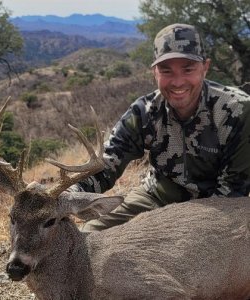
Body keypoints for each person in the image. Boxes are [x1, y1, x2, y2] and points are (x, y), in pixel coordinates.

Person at [71, 23, 250, 231]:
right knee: (89, 235)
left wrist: (177, 227)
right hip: (155, 196)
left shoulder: (238, 111)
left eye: (188, 69)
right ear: (154, 72)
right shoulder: (143, 112)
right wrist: (71, 193)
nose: (177, 82)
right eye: (166, 71)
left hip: (215, 207)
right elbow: (107, 164)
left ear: (205, 67)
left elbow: (233, 191)